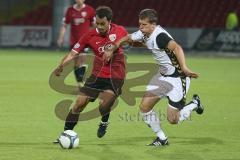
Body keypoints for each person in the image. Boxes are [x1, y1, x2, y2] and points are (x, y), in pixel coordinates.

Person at [127, 9, 204, 146]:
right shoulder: (144, 32)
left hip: (177, 78)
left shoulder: (160, 36)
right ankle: (162, 138)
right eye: (140, 24)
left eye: (143, 25)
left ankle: (194, 104)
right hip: (162, 77)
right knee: (145, 107)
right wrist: (115, 44)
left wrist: (185, 68)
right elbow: (130, 38)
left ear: (153, 24)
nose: (140, 27)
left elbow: (177, 48)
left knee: (173, 120)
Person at [54, 6, 128, 142]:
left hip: (116, 76)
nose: (99, 27)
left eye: (103, 24)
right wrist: (61, 66)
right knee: (79, 104)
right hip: (97, 75)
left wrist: (113, 47)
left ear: (109, 21)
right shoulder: (90, 35)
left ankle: (104, 120)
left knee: (103, 105)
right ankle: (65, 134)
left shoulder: (120, 30)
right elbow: (73, 53)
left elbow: (129, 39)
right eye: (97, 23)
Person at [57, 0, 95, 83]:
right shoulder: (70, 10)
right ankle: (79, 81)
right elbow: (64, 25)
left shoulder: (89, 10)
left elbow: (94, 25)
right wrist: (61, 37)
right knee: (77, 63)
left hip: (85, 41)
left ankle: (82, 81)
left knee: (83, 57)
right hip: (74, 41)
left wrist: (93, 36)